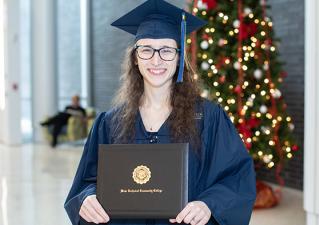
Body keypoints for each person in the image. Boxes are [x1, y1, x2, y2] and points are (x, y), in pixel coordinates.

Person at [64, 0, 256, 224]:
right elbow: (87, 182)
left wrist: (208, 205)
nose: (156, 60)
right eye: (146, 50)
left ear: (178, 57)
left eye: (166, 50)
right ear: (135, 59)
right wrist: (86, 198)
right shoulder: (110, 122)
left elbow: (236, 176)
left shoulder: (208, 118)